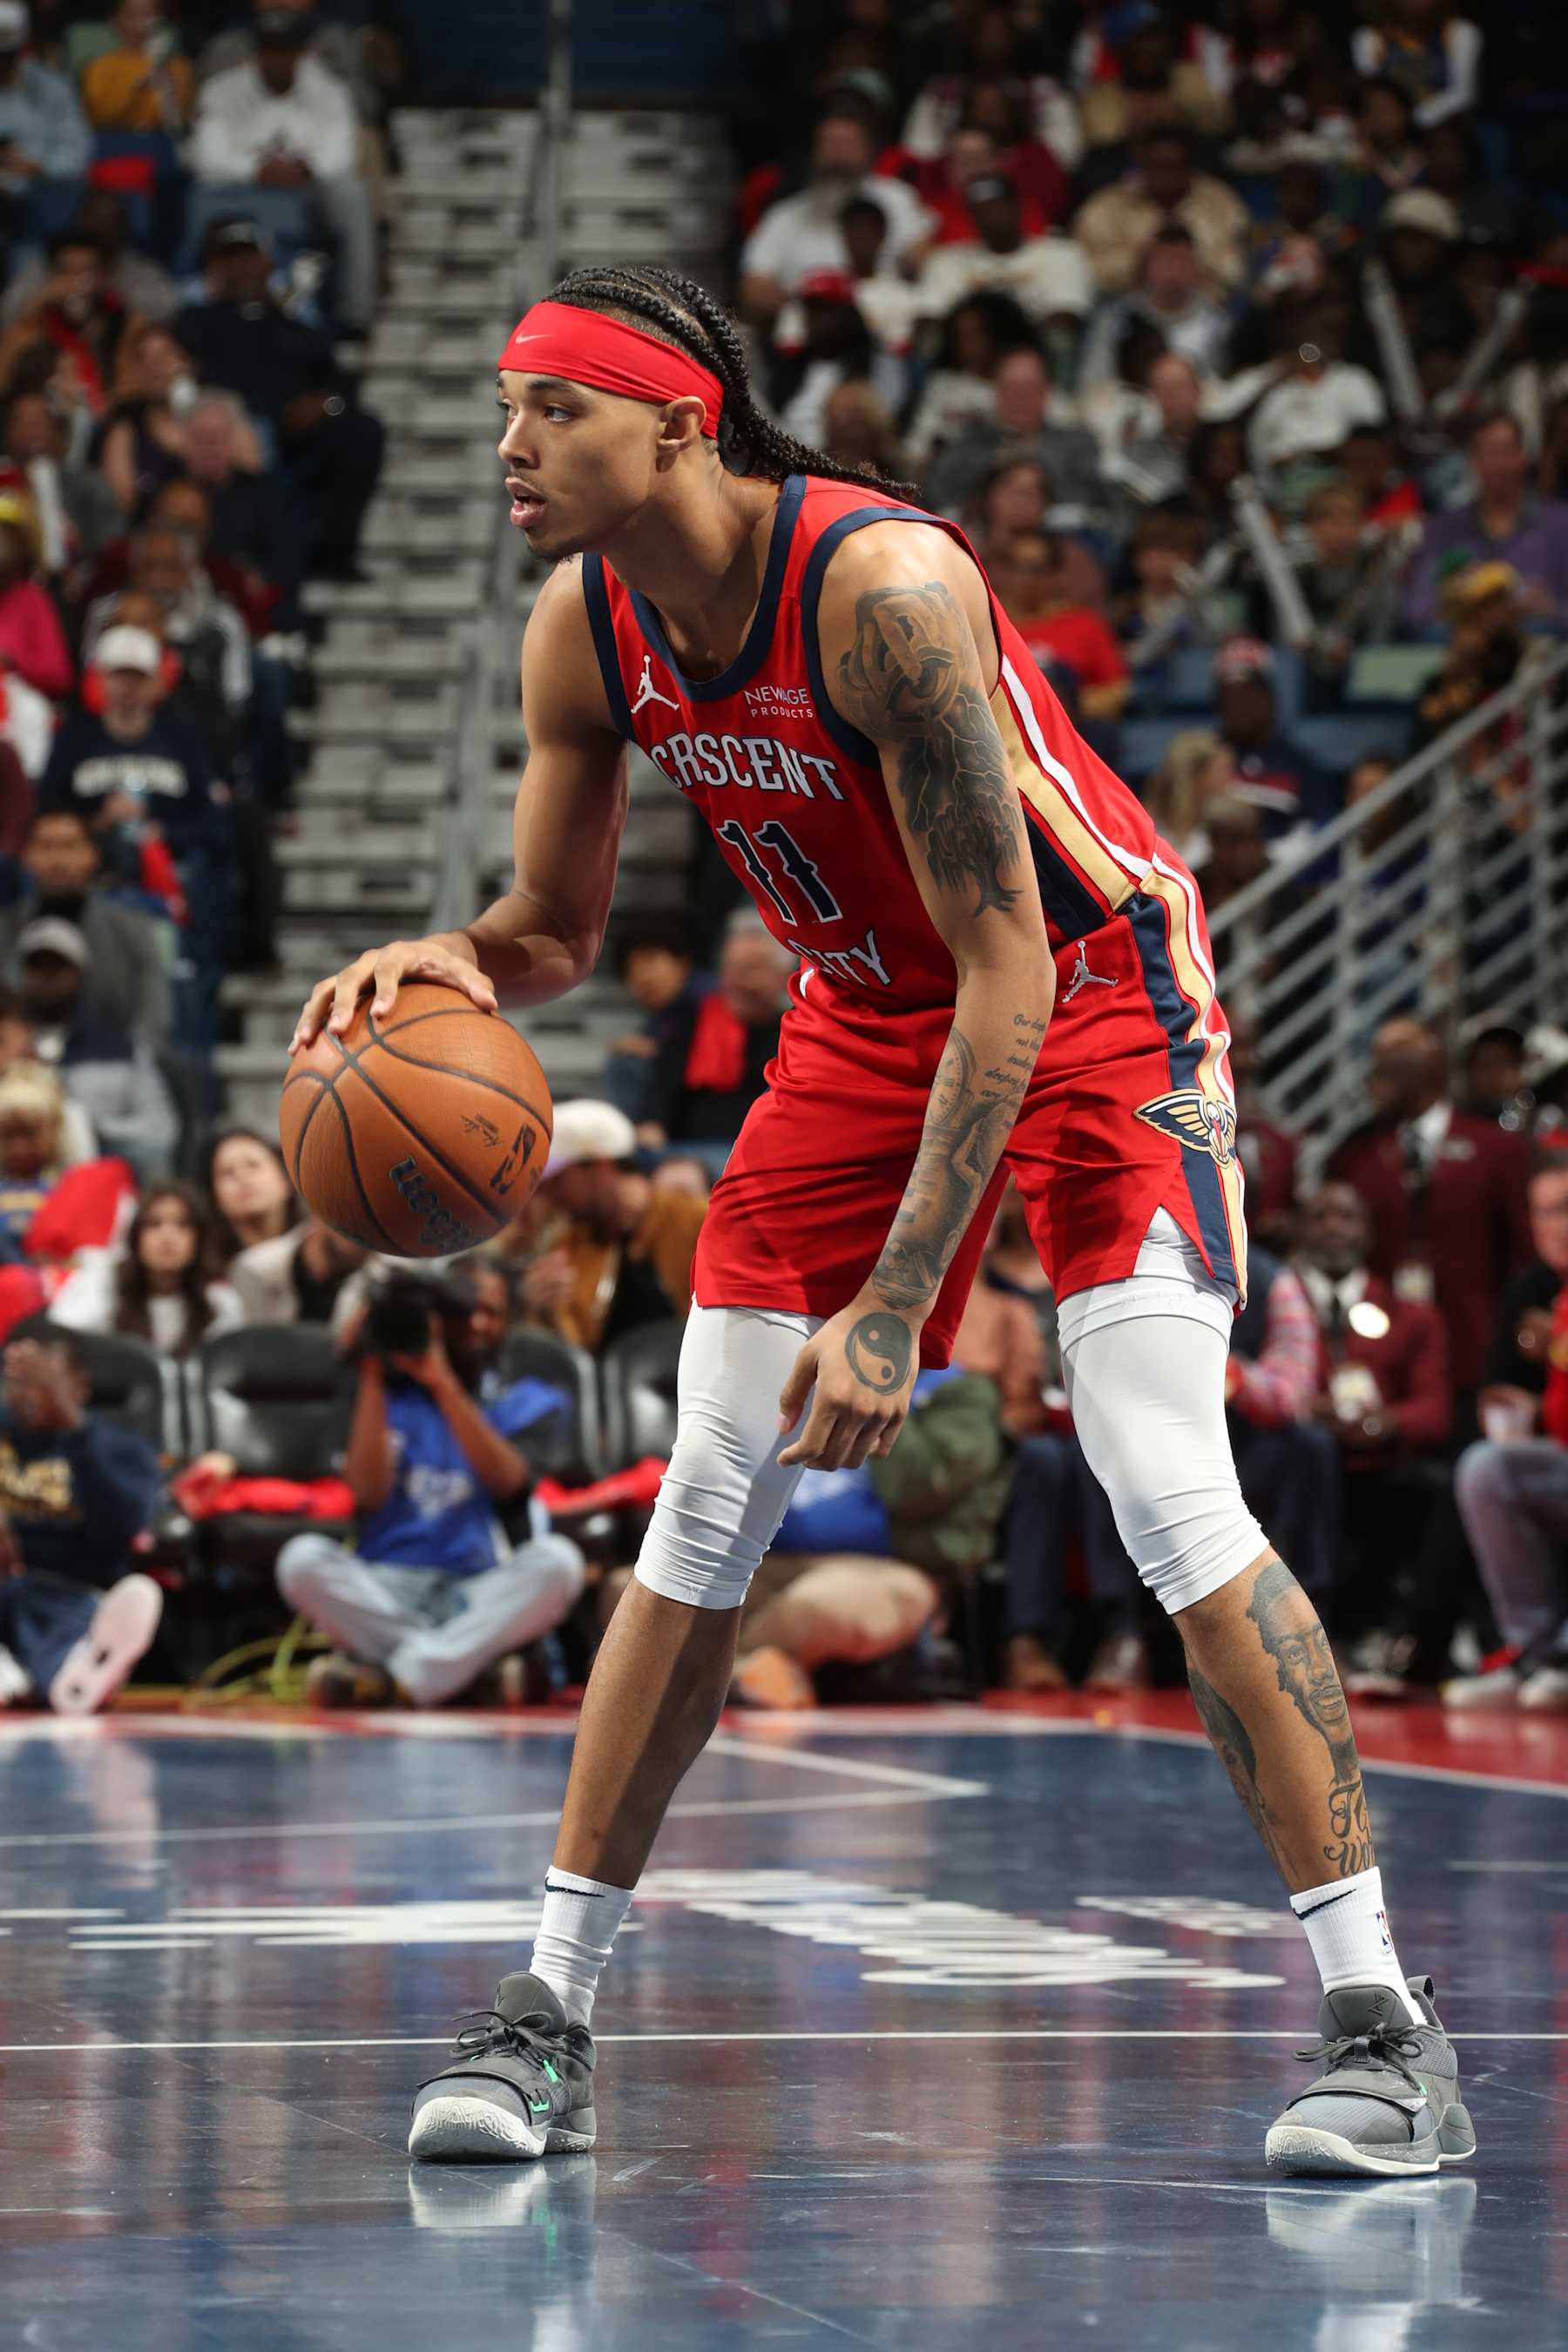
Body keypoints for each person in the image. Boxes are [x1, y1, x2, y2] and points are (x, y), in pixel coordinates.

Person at [292, 260, 1472, 2180]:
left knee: (1162, 1475)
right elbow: (558, 933)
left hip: (1093, 993)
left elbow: (1009, 963)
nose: (510, 443)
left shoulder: (884, 587)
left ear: (679, 422)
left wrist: (900, 1306)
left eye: (552, 408)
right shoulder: (582, 624)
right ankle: (545, 2019)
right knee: (707, 1495)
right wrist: (456, 959)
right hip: (864, 1012)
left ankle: (1387, 2036)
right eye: (505, 405)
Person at [275, 1264, 586, 1709]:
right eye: (462, 1313)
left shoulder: (523, 1397)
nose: (476, 1323)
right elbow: (368, 1494)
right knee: (300, 1560)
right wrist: (371, 1368)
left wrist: (443, 1383)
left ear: (511, 1321)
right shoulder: (379, 1393)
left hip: (477, 1588)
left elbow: (509, 1482)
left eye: (491, 1312)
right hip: (385, 1588)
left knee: (560, 1562)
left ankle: (395, 1678)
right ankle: (459, 1674)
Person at [1292, 1182, 1454, 1686]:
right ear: (1301, 1229)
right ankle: (1312, 1634)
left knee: (1437, 1488)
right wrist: (1309, 1410)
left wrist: (1387, 1422)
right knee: (1304, 1458)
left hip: (1382, 1464)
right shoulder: (1273, 1302)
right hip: (1305, 1463)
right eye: (1321, 1216)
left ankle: (1410, 1642)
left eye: (1346, 1217)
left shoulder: (1410, 1314)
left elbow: (1435, 1409)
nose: (1333, 1228)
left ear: (1368, 1232)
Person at [1327, 1017, 1534, 1396]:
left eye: (1385, 1072)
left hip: (1475, 1341)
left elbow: (1521, 1248)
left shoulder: (1497, 1148)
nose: (1372, 1083)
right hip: (1384, 1344)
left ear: (1420, 1075)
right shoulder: (1354, 1155)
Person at [174, 221, 382, 579]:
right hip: (226, 430)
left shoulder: (294, 326)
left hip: (292, 433)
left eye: (250, 258)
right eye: (232, 260)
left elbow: (340, 388)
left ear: (268, 265)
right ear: (216, 269)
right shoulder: (195, 322)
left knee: (362, 430)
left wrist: (325, 405)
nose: (243, 268)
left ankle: (334, 555)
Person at [0, 1330, 163, 1714]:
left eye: (47, 1382)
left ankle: (72, 1670)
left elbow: (123, 1527)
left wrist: (74, 1428)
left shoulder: (120, 1448)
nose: (32, 1394)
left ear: (80, 1386)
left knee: (52, 1616)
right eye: (21, 1382)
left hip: (70, 1591)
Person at [189, 9, 375, 334]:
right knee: (200, 194)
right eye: (270, 49)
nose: (277, 59)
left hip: (308, 188)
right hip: (240, 187)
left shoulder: (329, 90)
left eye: (285, 49)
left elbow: (343, 154)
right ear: (257, 51)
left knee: (352, 192)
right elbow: (207, 156)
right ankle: (195, 299)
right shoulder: (222, 89)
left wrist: (306, 169)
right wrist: (256, 170)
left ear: (301, 52)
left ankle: (354, 314)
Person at [513, 1098, 706, 1355]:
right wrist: (547, 1315)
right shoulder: (569, 1248)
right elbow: (579, 1352)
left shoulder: (695, 1220)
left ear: (600, 1165)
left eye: (558, 1181)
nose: (549, 1196)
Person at [13, 916, 177, 1174]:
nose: (47, 977)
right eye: (37, 967)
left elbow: (160, 1132)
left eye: (58, 967)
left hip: (98, 1180)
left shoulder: (120, 1048)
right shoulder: (9, 1045)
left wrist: (88, 1127)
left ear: (80, 974)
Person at [739, 108, 933, 326]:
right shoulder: (785, 215)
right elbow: (753, 289)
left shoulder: (898, 199)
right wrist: (795, 310)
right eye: (829, 142)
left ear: (869, 149)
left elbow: (925, 263)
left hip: (886, 324)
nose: (838, 153)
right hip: (809, 330)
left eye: (847, 142)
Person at [0, 808, 171, 1047]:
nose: (57, 860)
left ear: (93, 854)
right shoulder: (5, 928)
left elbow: (155, 1010)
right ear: (26, 855)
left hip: (115, 1058)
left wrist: (136, 1058)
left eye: (69, 846)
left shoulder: (132, 927)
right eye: (46, 846)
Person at [640, 913, 791, 1157]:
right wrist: (653, 1124)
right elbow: (665, 1082)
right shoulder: (696, 1018)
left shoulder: (794, 1030)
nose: (742, 982)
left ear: (783, 976)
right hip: (691, 1148)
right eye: (733, 969)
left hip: (767, 1148)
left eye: (753, 970)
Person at [1403, 410, 1568, 634]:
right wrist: (1456, 606)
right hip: (1462, 646)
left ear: (1522, 457)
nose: (1496, 464)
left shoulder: (1560, 525)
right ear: (1472, 461)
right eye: (1486, 453)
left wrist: (1549, 608)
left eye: (1504, 452)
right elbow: (1416, 609)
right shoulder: (1442, 529)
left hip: (1542, 644)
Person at [51, 1179, 241, 1354]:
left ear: (199, 1239)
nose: (168, 1237)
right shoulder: (105, 1285)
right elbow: (64, 1338)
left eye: (183, 1225)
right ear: (136, 1238)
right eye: (154, 1224)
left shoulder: (219, 1301)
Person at [1072, 127, 1249, 297]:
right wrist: (1142, 266)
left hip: (1209, 304)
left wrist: (1189, 268)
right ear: (1141, 165)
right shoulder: (1104, 208)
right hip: (1124, 303)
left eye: (1173, 167)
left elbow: (1238, 264)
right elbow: (1086, 266)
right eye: (1156, 167)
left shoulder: (1221, 203)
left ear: (1189, 166)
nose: (1165, 177)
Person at [1212, 639, 1333, 843]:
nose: (1238, 704)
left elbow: (1316, 830)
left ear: (1269, 697)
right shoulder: (1204, 760)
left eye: (1247, 693)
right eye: (1229, 695)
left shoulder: (1299, 764)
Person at [0, 4, 91, 229]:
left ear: (21, 49)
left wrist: (40, 168)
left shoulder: (51, 87)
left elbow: (76, 152)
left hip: (38, 198)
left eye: (7, 56)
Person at [228, 1212, 373, 1332]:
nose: (357, 1228)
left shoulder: (380, 1280)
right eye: (348, 1214)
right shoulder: (254, 1269)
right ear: (316, 1211)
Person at [80, 0, 194, 135]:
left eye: (148, 14)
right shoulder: (100, 67)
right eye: (133, 15)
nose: (142, 23)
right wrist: (135, 88)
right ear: (115, 21)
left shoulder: (178, 66)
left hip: (162, 141)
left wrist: (162, 72)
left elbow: (180, 121)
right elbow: (97, 117)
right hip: (114, 141)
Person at [204, 1125, 297, 1264]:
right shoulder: (208, 1272)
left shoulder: (322, 1247)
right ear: (215, 1197)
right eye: (227, 1172)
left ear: (286, 1178)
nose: (242, 1177)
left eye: (253, 1165)